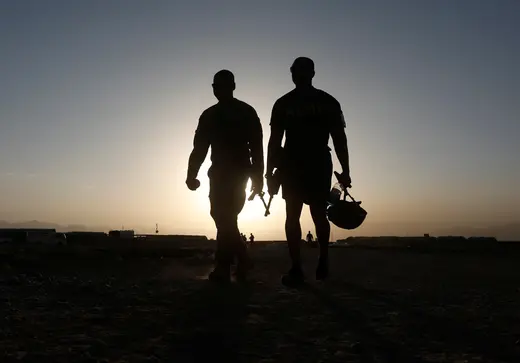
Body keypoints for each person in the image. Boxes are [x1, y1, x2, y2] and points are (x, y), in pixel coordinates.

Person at [266, 57, 352, 285]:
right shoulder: (326, 102)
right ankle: (316, 263)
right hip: (305, 164)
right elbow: (339, 140)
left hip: (302, 163)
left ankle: (303, 266)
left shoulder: (286, 103)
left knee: (298, 215)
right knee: (311, 215)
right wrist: (345, 170)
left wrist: (269, 172)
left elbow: (274, 143)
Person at [186, 69, 264, 283]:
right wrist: (191, 174)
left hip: (239, 173)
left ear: (232, 86)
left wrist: (258, 177)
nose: (217, 89)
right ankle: (243, 257)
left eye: (221, 85)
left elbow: (257, 148)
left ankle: (223, 265)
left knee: (226, 216)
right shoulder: (209, 115)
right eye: (215, 86)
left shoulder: (246, 112)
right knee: (222, 216)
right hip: (218, 173)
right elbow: (199, 148)